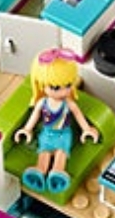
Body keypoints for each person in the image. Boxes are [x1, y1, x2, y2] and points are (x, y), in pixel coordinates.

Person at [14, 48, 99, 193]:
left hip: (64, 135)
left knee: (61, 154)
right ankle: (39, 171)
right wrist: (27, 129)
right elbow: (35, 115)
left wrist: (87, 129)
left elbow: (78, 115)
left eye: (68, 85)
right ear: (41, 85)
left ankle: (57, 172)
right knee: (44, 153)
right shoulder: (42, 103)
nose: (63, 91)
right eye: (55, 87)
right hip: (47, 134)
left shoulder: (69, 104)